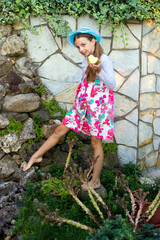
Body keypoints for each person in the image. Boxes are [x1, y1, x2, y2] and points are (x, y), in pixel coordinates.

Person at [23, 27, 116, 191]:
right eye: (78, 47)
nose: (81, 50)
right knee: (59, 130)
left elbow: (112, 85)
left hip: (98, 109)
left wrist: (99, 70)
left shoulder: (105, 60)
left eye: (83, 45)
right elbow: (85, 84)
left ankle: (95, 181)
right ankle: (35, 157)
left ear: (93, 40)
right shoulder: (85, 60)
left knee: (96, 142)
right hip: (81, 106)